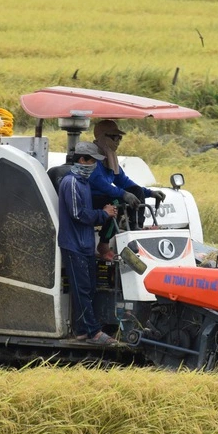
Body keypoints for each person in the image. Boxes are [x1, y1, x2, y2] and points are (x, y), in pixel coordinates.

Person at [57, 141, 117, 346]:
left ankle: (81, 330)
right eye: (92, 161)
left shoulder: (83, 183)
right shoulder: (72, 183)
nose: (94, 166)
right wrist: (103, 214)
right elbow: (78, 214)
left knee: (88, 287)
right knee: (82, 289)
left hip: (84, 244)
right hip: (73, 245)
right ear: (82, 159)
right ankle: (93, 332)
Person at [89, 119, 166, 259]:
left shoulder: (110, 158)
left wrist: (149, 192)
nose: (118, 141)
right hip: (91, 198)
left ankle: (137, 227)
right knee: (117, 202)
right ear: (102, 137)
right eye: (115, 137)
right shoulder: (92, 157)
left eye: (120, 138)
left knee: (136, 190)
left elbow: (124, 182)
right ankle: (104, 244)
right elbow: (100, 184)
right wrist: (123, 194)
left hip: (107, 197)